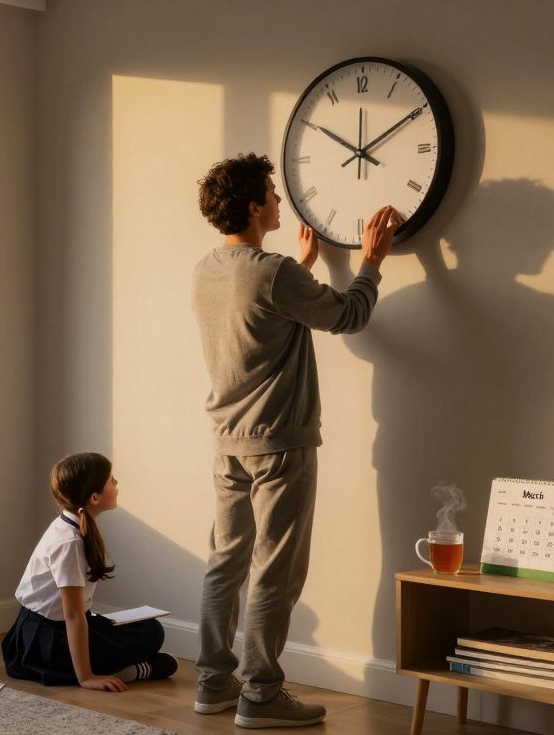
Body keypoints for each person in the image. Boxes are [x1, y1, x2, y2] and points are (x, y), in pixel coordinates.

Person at [190, 152, 399, 728]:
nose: (282, 202)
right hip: (280, 441)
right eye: (274, 194)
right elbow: (351, 316)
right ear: (256, 206)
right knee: (275, 569)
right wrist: (372, 261)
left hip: (228, 440)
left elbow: (259, 312)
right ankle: (260, 694)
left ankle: (213, 684)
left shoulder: (209, 267)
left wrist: (300, 267)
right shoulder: (274, 273)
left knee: (226, 562)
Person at [2, 452, 178, 691]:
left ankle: (119, 666)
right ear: (95, 497)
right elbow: (73, 615)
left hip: (56, 629)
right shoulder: (69, 543)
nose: (116, 485)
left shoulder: (72, 524)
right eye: (111, 481)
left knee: (151, 629)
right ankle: (125, 672)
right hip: (47, 642)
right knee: (157, 646)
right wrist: (87, 678)